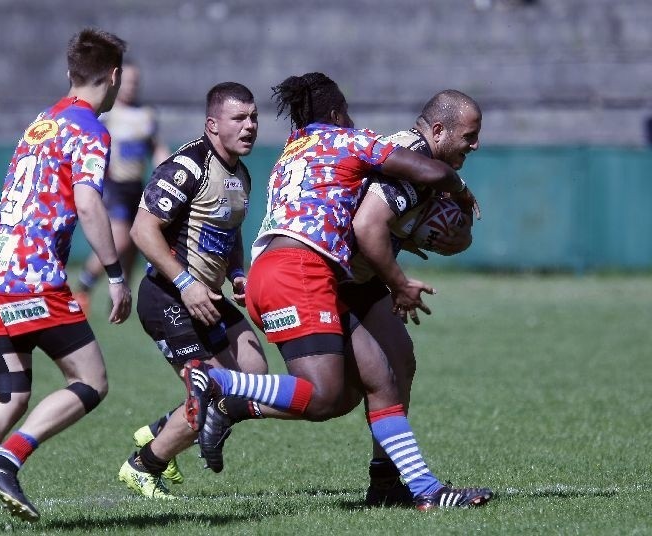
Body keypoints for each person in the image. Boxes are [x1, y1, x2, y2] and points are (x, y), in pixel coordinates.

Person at [183, 73, 492, 510]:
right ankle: (219, 383)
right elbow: (388, 201)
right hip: (302, 272)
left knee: (379, 377)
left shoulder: (294, 148)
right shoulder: (345, 141)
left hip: (288, 271)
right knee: (324, 394)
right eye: (346, 114)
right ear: (334, 115)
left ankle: (416, 490)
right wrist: (455, 189)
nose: (353, 122)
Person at [0, 28, 131, 530]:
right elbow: (87, 202)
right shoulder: (90, 129)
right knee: (91, 381)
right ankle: (7, 460)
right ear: (114, 76)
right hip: (31, 278)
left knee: (11, 394)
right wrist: (114, 273)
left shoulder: (43, 121)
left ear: (70, 74)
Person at [117, 82, 278, 498]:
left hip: (207, 296)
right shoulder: (188, 166)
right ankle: (143, 465)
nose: (250, 126)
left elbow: (230, 231)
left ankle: (158, 431)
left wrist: (238, 273)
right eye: (239, 118)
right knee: (206, 392)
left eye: (254, 117)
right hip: (169, 296)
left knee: (254, 377)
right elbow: (141, 229)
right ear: (212, 124)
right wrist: (186, 282)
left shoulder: (241, 174)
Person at [341, 89, 483, 506]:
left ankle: (385, 483)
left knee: (399, 359)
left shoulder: (415, 154)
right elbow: (368, 225)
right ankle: (227, 398)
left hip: (359, 278)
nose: (475, 145)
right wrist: (399, 282)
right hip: (333, 278)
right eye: (469, 136)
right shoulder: (413, 161)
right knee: (329, 395)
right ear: (439, 130)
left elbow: (390, 221)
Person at [74, 61, 170, 314]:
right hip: (114, 185)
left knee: (134, 245)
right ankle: (84, 286)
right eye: (127, 82)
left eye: (135, 82)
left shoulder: (147, 113)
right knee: (119, 241)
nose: (131, 87)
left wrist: (165, 165)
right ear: (117, 82)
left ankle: (120, 296)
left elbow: (155, 146)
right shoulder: (108, 114)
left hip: (137, 186)